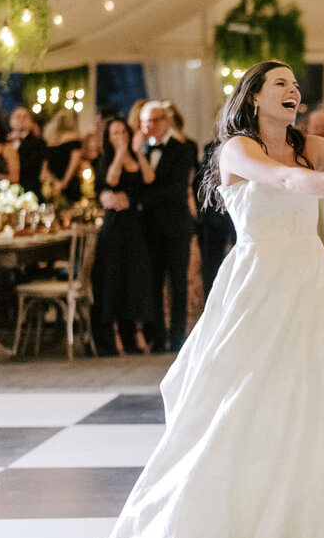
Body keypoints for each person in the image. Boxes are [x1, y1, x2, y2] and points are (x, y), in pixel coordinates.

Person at [108, 60, 324, 538]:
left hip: (310, 277)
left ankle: (317, 517)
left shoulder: (309, 144)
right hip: (258, 281)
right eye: (280, 84)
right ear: (255, 97)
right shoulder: (238, 149)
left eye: (294, 84)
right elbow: (290, 183)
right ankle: (239, 517)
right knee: (246, 394)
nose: (293, 90)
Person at [92, 118, 157, 355]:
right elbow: (110, 180)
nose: (120, 136)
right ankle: (115, 334)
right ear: (109, 138)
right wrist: (119, 154)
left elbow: (149, 178)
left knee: (137, 278)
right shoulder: (107, 159)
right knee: (115, 279)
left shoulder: (137, 156)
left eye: (122, 132)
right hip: (115, 226)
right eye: (115, 133)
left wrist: (136, 153)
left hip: (135, 225)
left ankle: (136, 332)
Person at [136, 100, 195, 352]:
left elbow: (174, 189)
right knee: (153, 284)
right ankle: (157, 337)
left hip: (176, 226)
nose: (149, 126)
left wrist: (138, 201)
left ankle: (178, 336)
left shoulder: (182, 149)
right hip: (149, 229)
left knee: (177, 284)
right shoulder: (139, 152)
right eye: (144, 122)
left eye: (153, 120)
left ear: (166, 121)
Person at [193, 139, 237, 299]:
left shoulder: (252, 147)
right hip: (213, 216)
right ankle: (211, 304)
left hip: (239, 216)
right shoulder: (210, 147)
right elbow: (200, 183)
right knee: (211, 267)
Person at [42, 110, 84, 204]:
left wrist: (52, 181)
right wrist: (65, 181)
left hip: (53, 181)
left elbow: (46, 162)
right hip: (68, 181)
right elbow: (74, 162)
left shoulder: (51, 141)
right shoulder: (74, 139)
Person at [9, 106, 47, 197]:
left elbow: (33, 165)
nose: (21, 119)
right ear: (11, 121)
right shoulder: (5, 143)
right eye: (18, 117)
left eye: (25, 117)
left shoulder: (38, 143)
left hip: (31, 190)